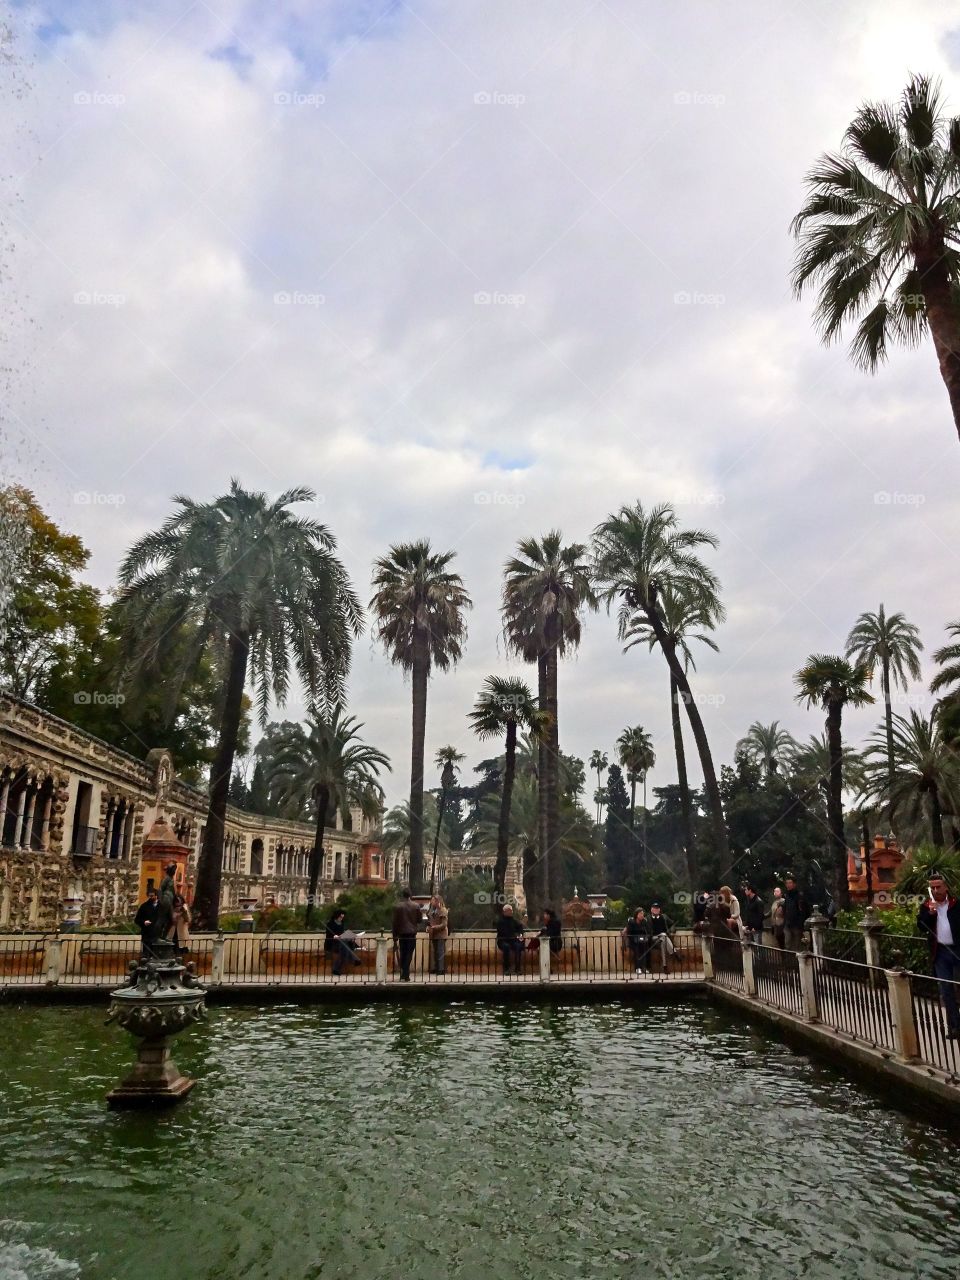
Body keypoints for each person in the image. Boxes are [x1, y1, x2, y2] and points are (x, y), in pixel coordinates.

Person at [917, 870, 960, 1039]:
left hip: (957, 950)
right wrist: (930, 914)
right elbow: (921, 926)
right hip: (940, 953)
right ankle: (955, 1027)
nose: (936, 890)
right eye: (932, 888)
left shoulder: (956, 904)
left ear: (946, 887)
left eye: (938, 887)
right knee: (946, 990)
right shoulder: (927, 906)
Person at [392, 889, 422, 982]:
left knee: (403, 952)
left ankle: (404, 973)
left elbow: (395, 922)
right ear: (410, 895)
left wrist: (394, 935)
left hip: (402, 933)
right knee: (409, 953)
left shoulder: (398, 906)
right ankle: (406, 973)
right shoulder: (416, 906)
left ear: (403, 895)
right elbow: (419, 920)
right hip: (412, 933)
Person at [324, 908, 361, 976]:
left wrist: (350, 937)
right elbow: (328, 935)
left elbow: (342, 934)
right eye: (340, 917)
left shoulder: (342, 923)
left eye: (342, 917)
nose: (341, 919)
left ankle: (336, 970)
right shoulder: (330, 924)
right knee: (344, 947)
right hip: (332, 944)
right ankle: (354, 959)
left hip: (341, 943)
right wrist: (334, 936)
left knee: (344, 948)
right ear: (337, 916)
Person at [151, 861, 178, 948]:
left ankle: (163, 936)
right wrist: (161, 900)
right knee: (161, 919)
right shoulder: (166, 879)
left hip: (169, 901)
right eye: (173, 869)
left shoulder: (170, 879)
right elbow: (160, 889)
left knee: (171, 920)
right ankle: (156, 937)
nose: (174, 871)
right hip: (165, 900)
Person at [496, 904, 525, 974]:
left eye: (511, 911)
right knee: (506, 947)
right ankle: (506, 969)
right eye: (509, 911)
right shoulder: (500, 922)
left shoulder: (514, 921)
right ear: (504, 912)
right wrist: (512, 935)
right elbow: (502, 932)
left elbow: (520, 928)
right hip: (503, 941)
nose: (510, 912)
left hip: (513, 941)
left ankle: (517, 969)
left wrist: (520, 934)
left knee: (518, 946)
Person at [782, 876, 807, 951]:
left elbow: (803, 911)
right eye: (787, 883)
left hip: (797, 925)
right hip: (788, 923)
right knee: (787, 944)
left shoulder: (799, 896)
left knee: (797, 946)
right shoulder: (786, 896)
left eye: (790, 883)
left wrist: (800, 924)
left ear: (794, 884)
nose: (788, 885)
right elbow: (786, 908)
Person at [625, 908, 652, 974]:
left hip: (643, 941)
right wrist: (635, 939)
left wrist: (647, 937)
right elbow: (629, 933)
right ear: (636, 914)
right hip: (634, 941)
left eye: (643, 914)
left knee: (646, 949)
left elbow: (649, 932)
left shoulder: (644, 922)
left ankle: (644, 967)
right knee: (637, 950)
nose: (642, 915)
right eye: (640, 914)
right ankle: (638, 968)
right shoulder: (631, 922)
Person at [427, 894, 449, 975]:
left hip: (441, 934)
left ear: (437, 901)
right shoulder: (433, 910)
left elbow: (444, 924)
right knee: (435, 951)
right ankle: (436, 967)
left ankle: (441, 969)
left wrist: (435, 927)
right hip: (434, 934)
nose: (431, 902)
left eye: (433, 900)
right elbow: (430, 919)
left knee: (440, 951)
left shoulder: (443, 910)